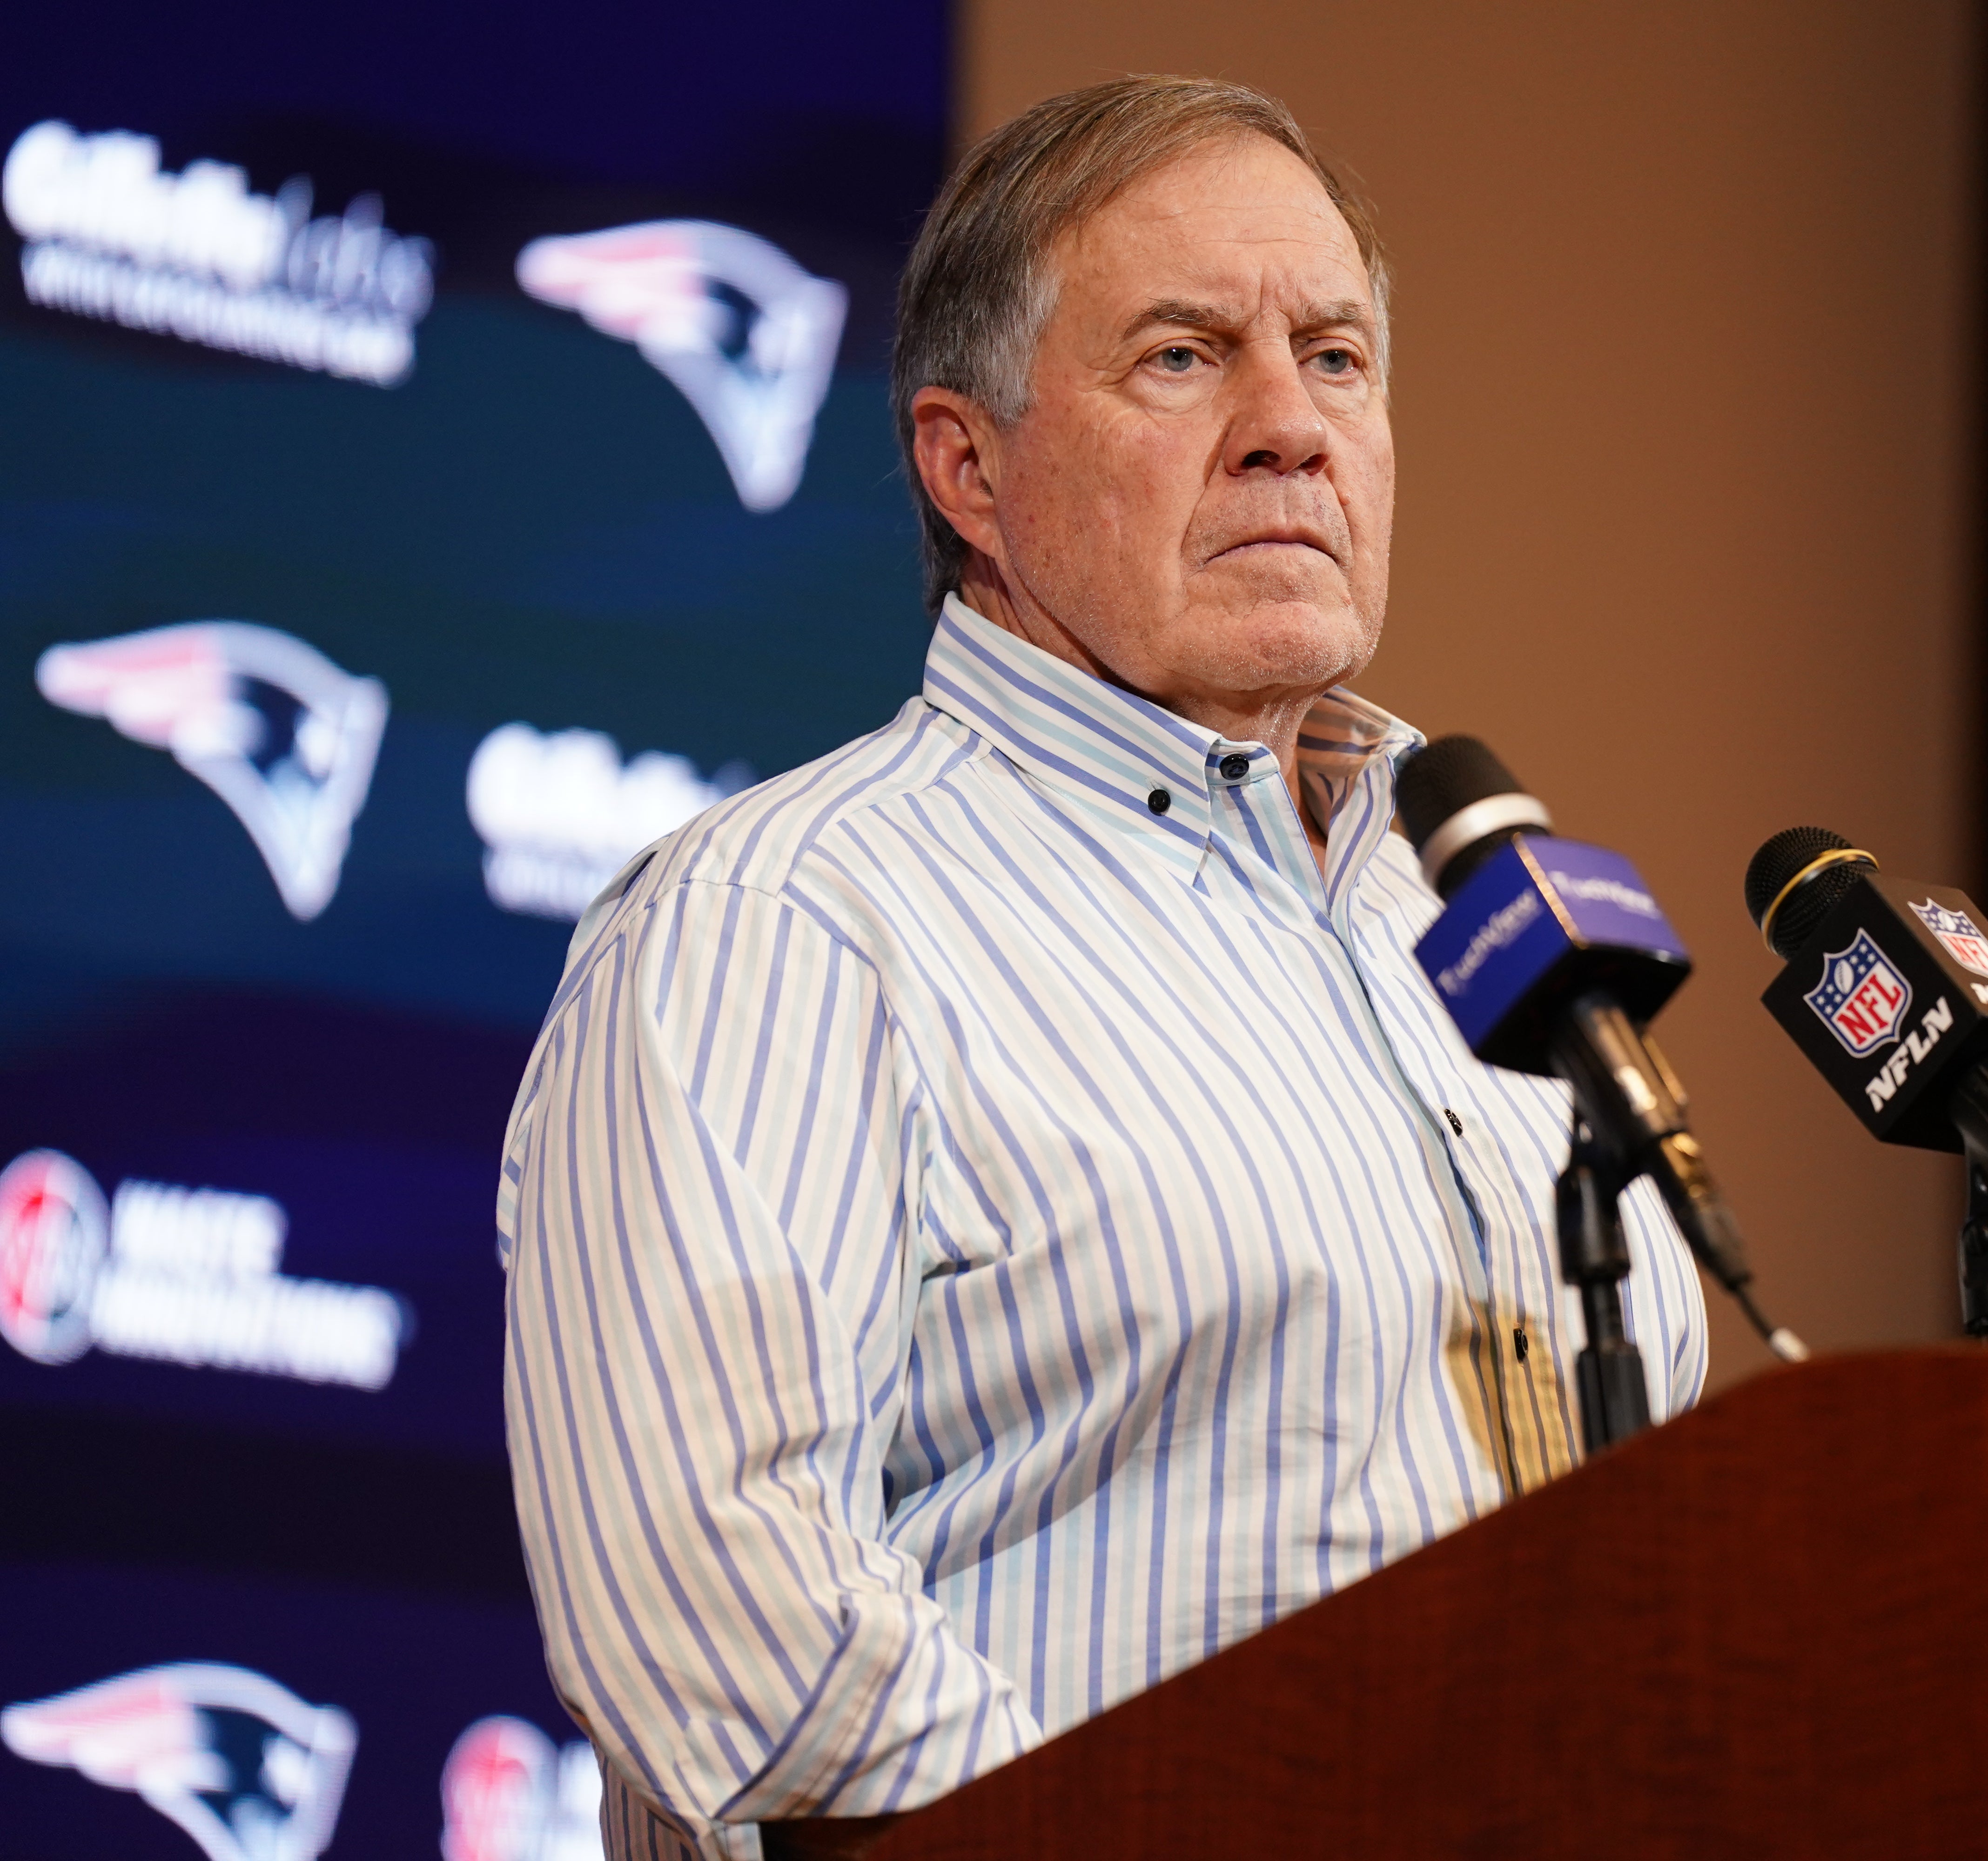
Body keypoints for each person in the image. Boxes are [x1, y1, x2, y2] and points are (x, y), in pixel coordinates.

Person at [497, 75, 1706, 1861]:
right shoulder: (792, 918)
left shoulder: (1478, 933)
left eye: (1339, 358)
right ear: (968, 469)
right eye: (1185, 357)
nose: (1291, 426)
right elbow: (716, 1586)